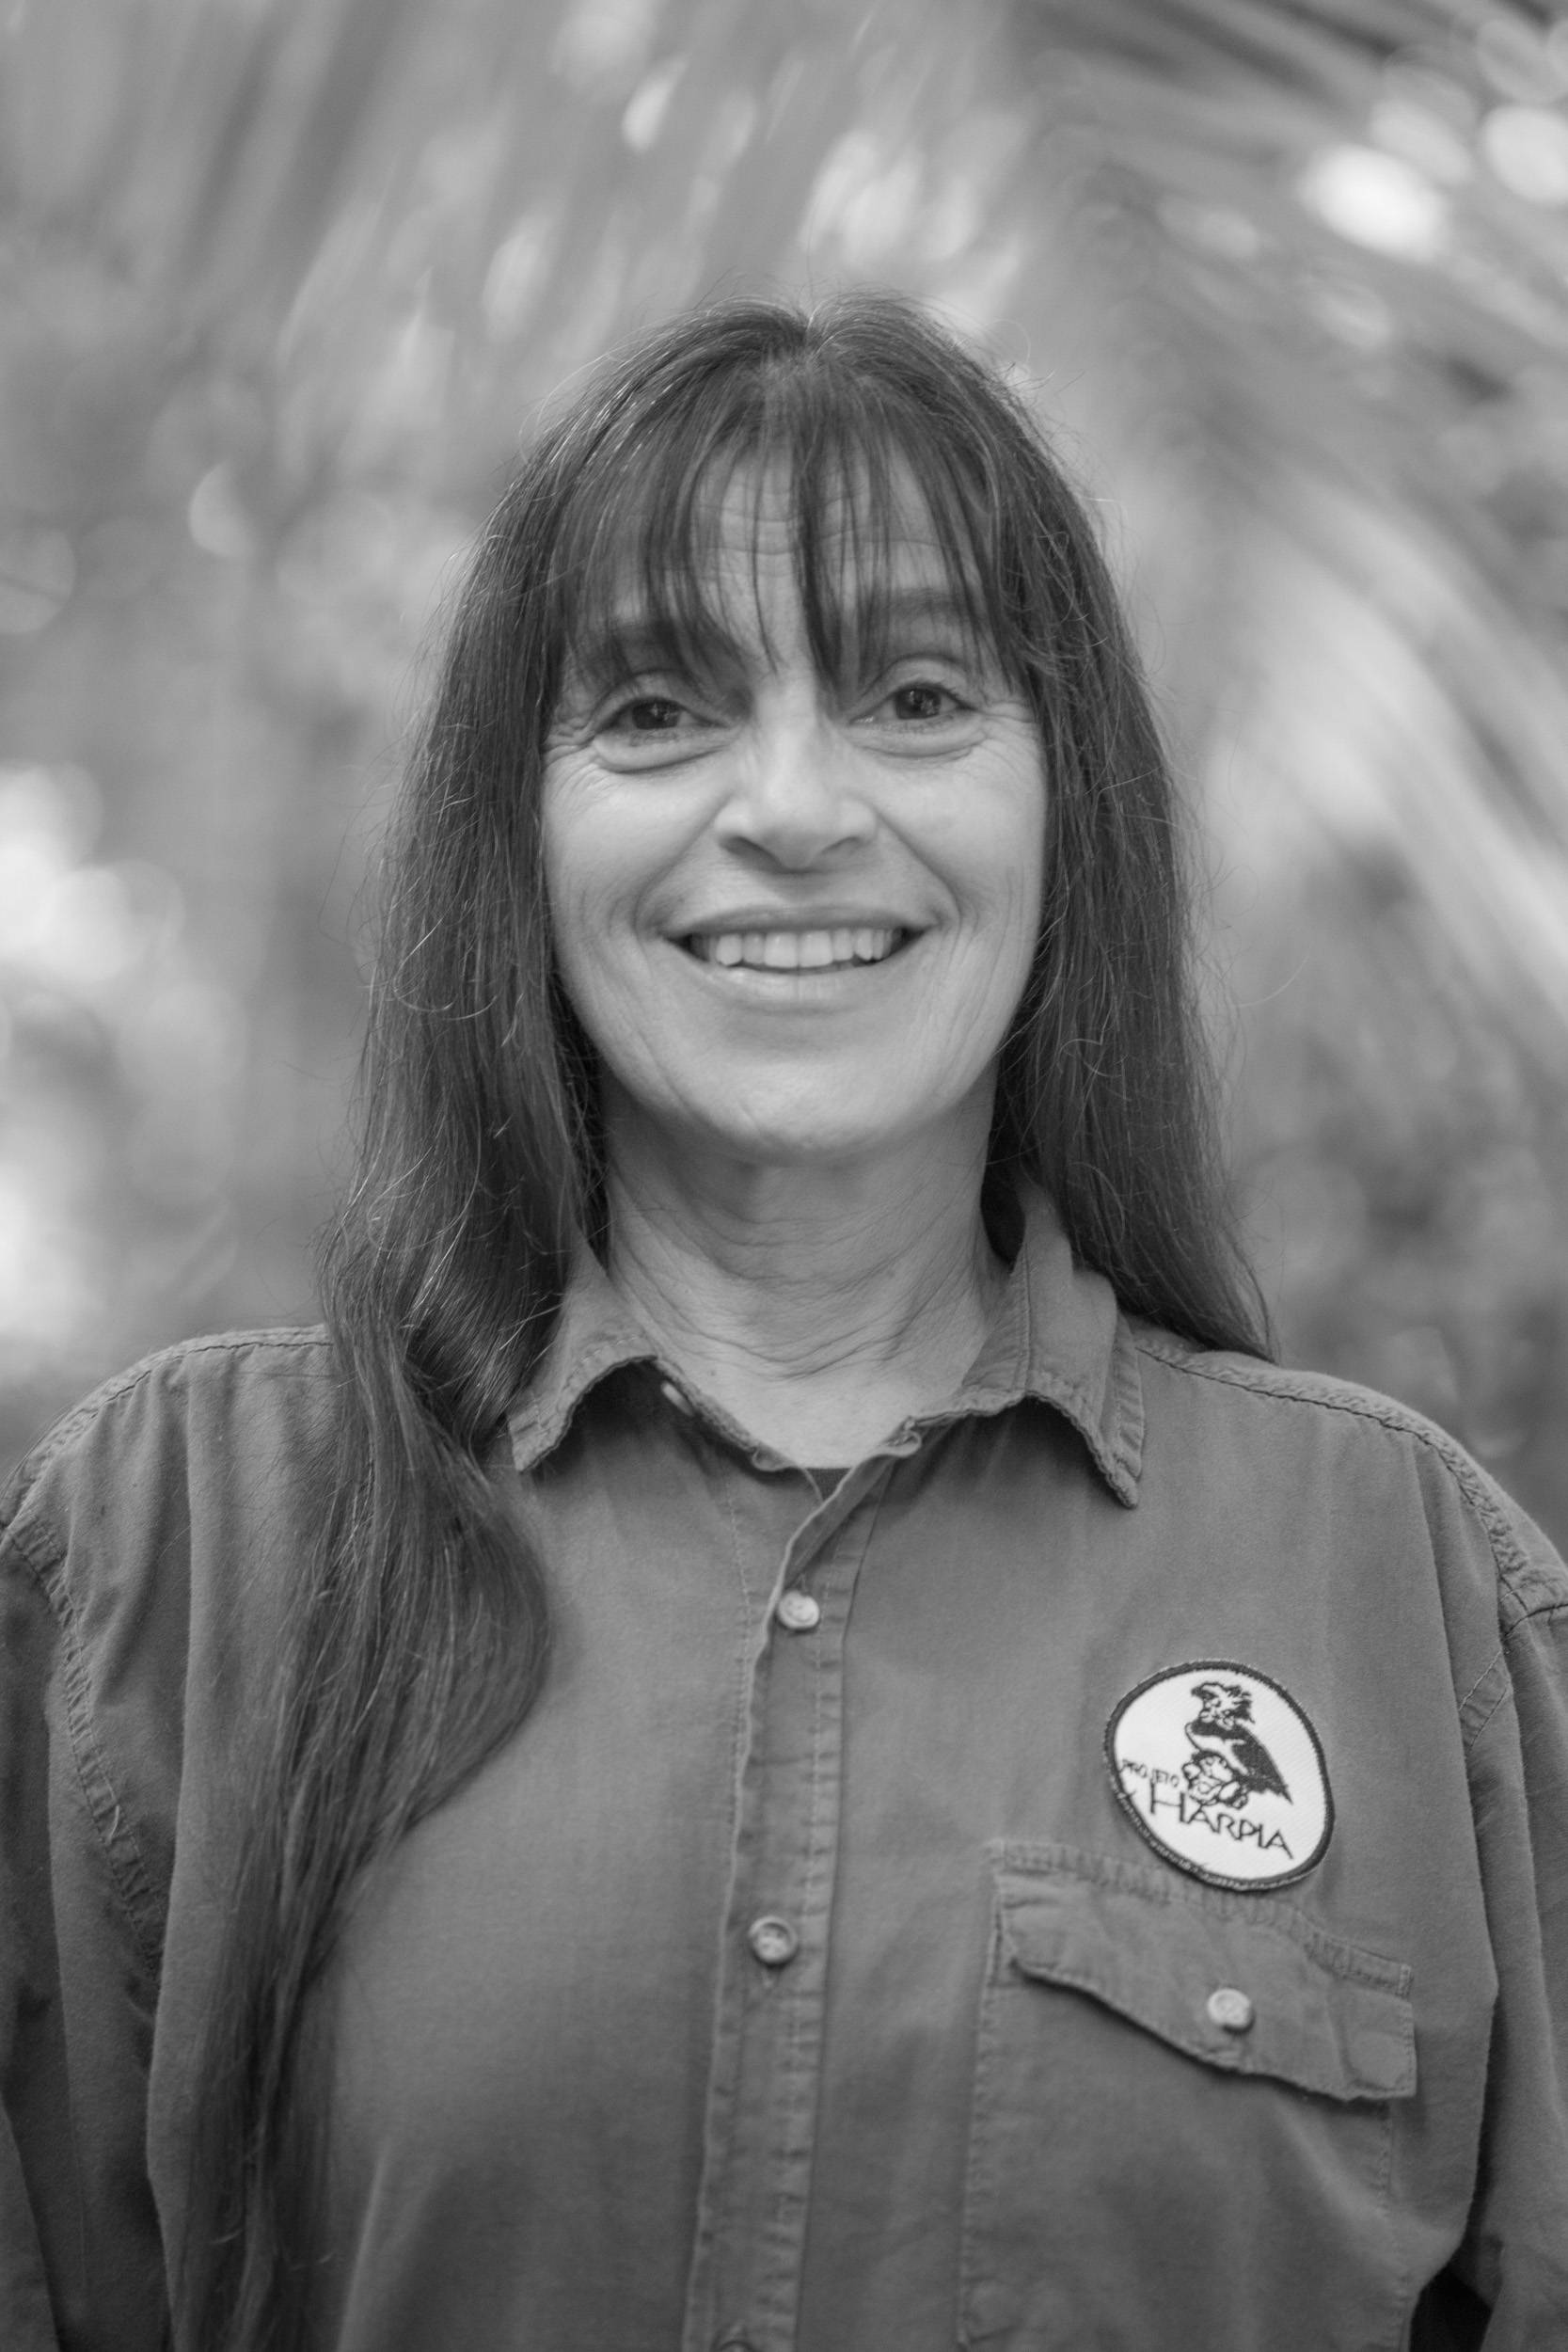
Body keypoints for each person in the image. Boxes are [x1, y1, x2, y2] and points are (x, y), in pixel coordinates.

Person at [1, 291, 1564, 2352]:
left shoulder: (1411, 1593)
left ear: (1065, 806)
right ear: (519, 828)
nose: (799, 806)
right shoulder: (175, 1551)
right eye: (659, 709)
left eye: (917, 693)